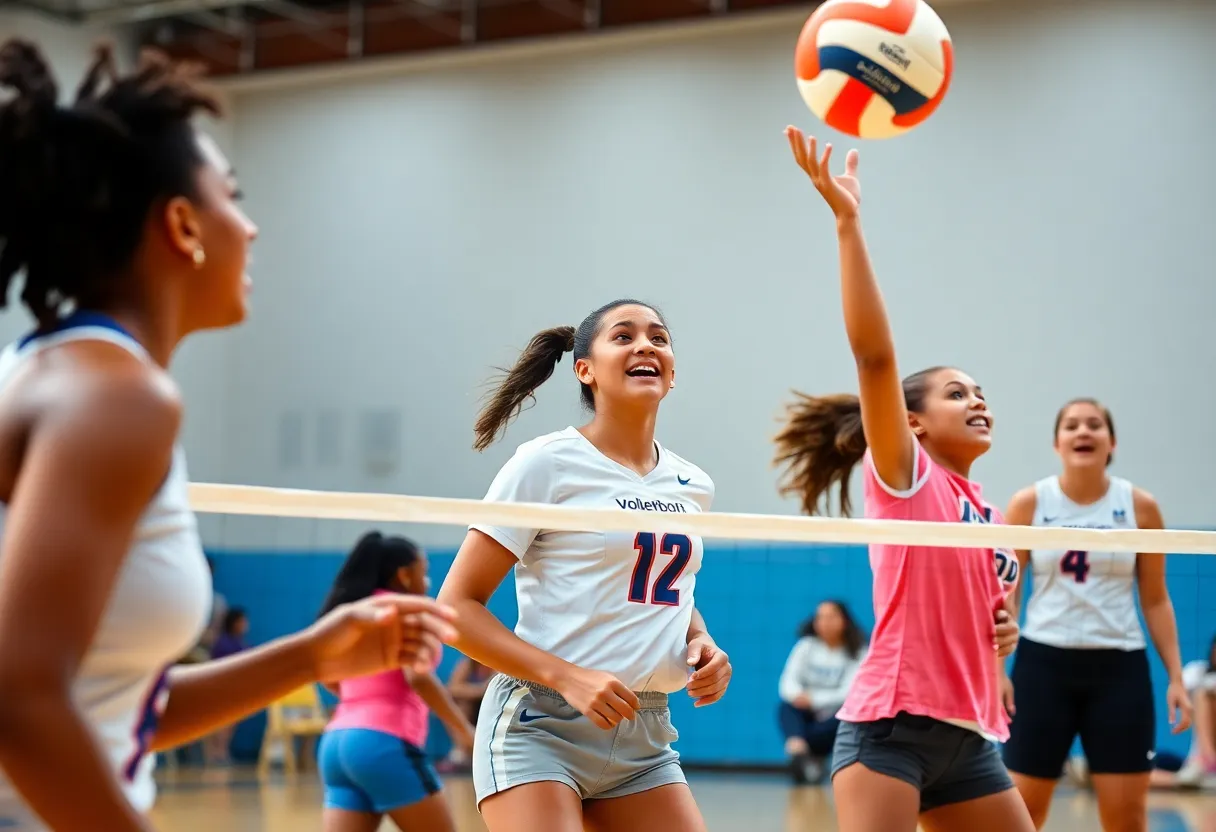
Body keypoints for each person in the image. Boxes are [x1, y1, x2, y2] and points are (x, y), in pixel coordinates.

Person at [0, 40, 455, 832]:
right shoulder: (120, 396)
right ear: (182, 225)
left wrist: (310, 656)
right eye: (233, 196)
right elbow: (17, 695)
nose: (250, 228)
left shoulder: (55, 373)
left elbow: (114, 714)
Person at [773, 127, 1030, 832]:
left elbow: (980, 609)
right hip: (890, 732)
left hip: (970, 738)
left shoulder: (989, 508)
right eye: (956, 393)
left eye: (980, 391)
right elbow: (876, 359)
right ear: (913, 424)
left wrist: (1000, 630)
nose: (977, 400)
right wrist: (848, 223)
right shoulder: (905, 474)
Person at [436, 299, 733, 832]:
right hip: (540, 722)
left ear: (670, 374)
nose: (646, 345)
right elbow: (455, 609)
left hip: (645, 731)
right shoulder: (545, 463)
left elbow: (664, 587)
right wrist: (568, 679)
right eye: (624, 336)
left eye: (658, 338)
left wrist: (702, 640)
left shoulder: (694, 485)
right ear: (585, 369)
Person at [1000, 398, 1192, 831]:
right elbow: (1006, 596)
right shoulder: (1029, 502)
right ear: (1057, 443)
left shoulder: (1140, 507)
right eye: (1071, 425)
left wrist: (1177, 677)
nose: (1083, 432)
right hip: (1042, 665)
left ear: (1112, 442)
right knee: (1023, 814)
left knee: (1126, 819)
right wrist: (998, 669)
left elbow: (1156, 598)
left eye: (1093, 425)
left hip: (1118, 668)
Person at [318, 532, 475, 832]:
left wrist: (360, 700)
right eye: (423, 572)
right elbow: (418, 677)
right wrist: (464, 730)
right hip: (383, 743)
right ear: (403, 575)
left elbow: (327, 678)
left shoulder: (350, 612)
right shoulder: (402, 611)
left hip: (336, 743)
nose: (427, 582)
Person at [777, 599, 867, 784]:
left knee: (846, 720)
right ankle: (800, 751)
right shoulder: (806, 646)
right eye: (821, 617)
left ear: (845, 621)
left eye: (831, 617)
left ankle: (802, 753)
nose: (825, 622)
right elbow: (788, 682)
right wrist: (798, 697)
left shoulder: (858, 651)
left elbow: (851, 691)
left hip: (836, 715)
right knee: (786, 707)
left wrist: (815, 700)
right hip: (806, 712)